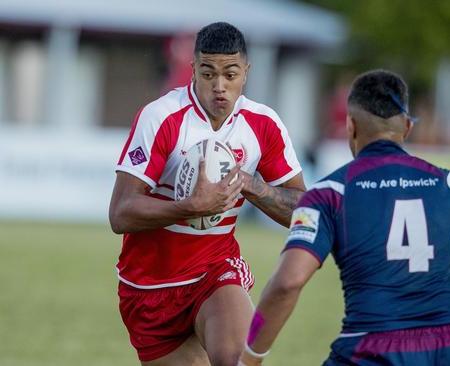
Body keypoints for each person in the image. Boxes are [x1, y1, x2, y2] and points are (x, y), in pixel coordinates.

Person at [238, 70, 450, 366]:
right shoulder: (449, 184)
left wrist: (251, 355)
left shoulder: (328, 193)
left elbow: (287, 283)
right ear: (408, 127)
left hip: (369, 348)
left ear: (351, 126)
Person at [108, 22, 306, 366]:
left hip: (214, 270)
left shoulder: (263, 124)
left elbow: (305, 212)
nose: (219, 87)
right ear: (193, 70)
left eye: (230, 74)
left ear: (246, 72)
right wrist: (189, 207)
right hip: (150, 288)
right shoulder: (161, 118)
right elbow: (121, 212)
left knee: (236, 360)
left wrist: (250, 184)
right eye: (208, 73)